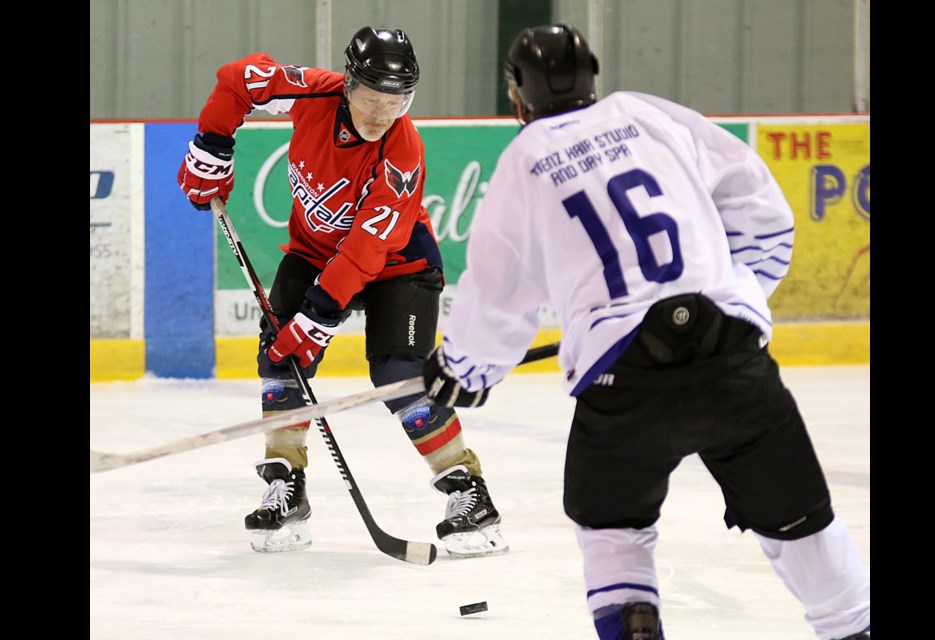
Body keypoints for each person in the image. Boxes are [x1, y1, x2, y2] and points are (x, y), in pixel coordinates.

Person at [422, 23, 869, 640]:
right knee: (803, 528)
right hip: (731, 364)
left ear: (516, 97)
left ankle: (634, 623)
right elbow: (763, 215)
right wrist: (729, 294)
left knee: (613, 534)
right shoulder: (648, 114)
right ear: (592, 77)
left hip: (622, 380)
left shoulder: (524, 161)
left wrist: (465, 371)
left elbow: (498, 291)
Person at [176, 26, 507, 559]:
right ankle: (288, 487)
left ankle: (468, 492)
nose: (381, 113)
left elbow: (364, 253)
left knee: (399, 374)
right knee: (280, 359)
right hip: (312, 254)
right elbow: (237, 80)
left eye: (395, 101)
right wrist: (212, 145)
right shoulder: (312, 91)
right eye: (372, 98)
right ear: (348, 86)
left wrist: (317, 319)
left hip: (400, 265)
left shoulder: (402, 152)